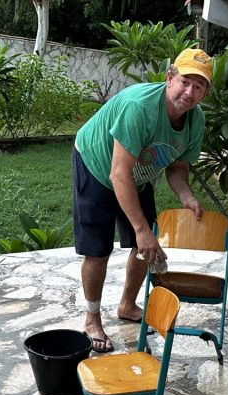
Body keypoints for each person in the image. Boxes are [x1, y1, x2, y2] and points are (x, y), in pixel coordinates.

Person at [72, 47, 212, 353]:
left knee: (143, 246)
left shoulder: (195, 121)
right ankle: (92, 317)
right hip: (98, 165)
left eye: (198, 86)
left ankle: (127, 305)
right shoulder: (140, 107)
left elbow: (176, 165)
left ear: (204, 94)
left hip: (138, 173)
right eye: (185, 81)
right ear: (170, 78)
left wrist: (186, 196)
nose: (190, 92)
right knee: (98, 250)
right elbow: (118, 175)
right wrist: (140, 228)